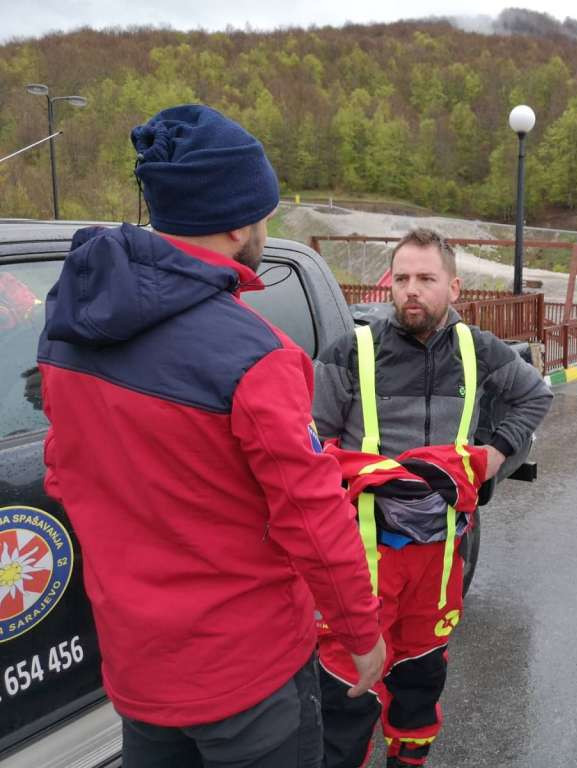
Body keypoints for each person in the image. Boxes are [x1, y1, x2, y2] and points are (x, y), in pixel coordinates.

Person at [37, 104, 384, 768]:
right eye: (264, 210)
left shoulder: (69, 327)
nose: (266, 225)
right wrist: (360, 632)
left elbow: (65, 472)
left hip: (139, 672)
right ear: (235, 219)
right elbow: (312, 517)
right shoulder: (257, 355)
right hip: (247, 679)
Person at [313, 228, 553, 767]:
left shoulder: (480, 350)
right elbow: (312, 447)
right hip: (362, 560)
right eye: (401, 279)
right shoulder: (350, 351)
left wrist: (497, 456)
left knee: (421, 678)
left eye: (426, 279)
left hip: (442, 557)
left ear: (455, 287)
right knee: (346, 687)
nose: (411, 291)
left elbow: (536, 395)